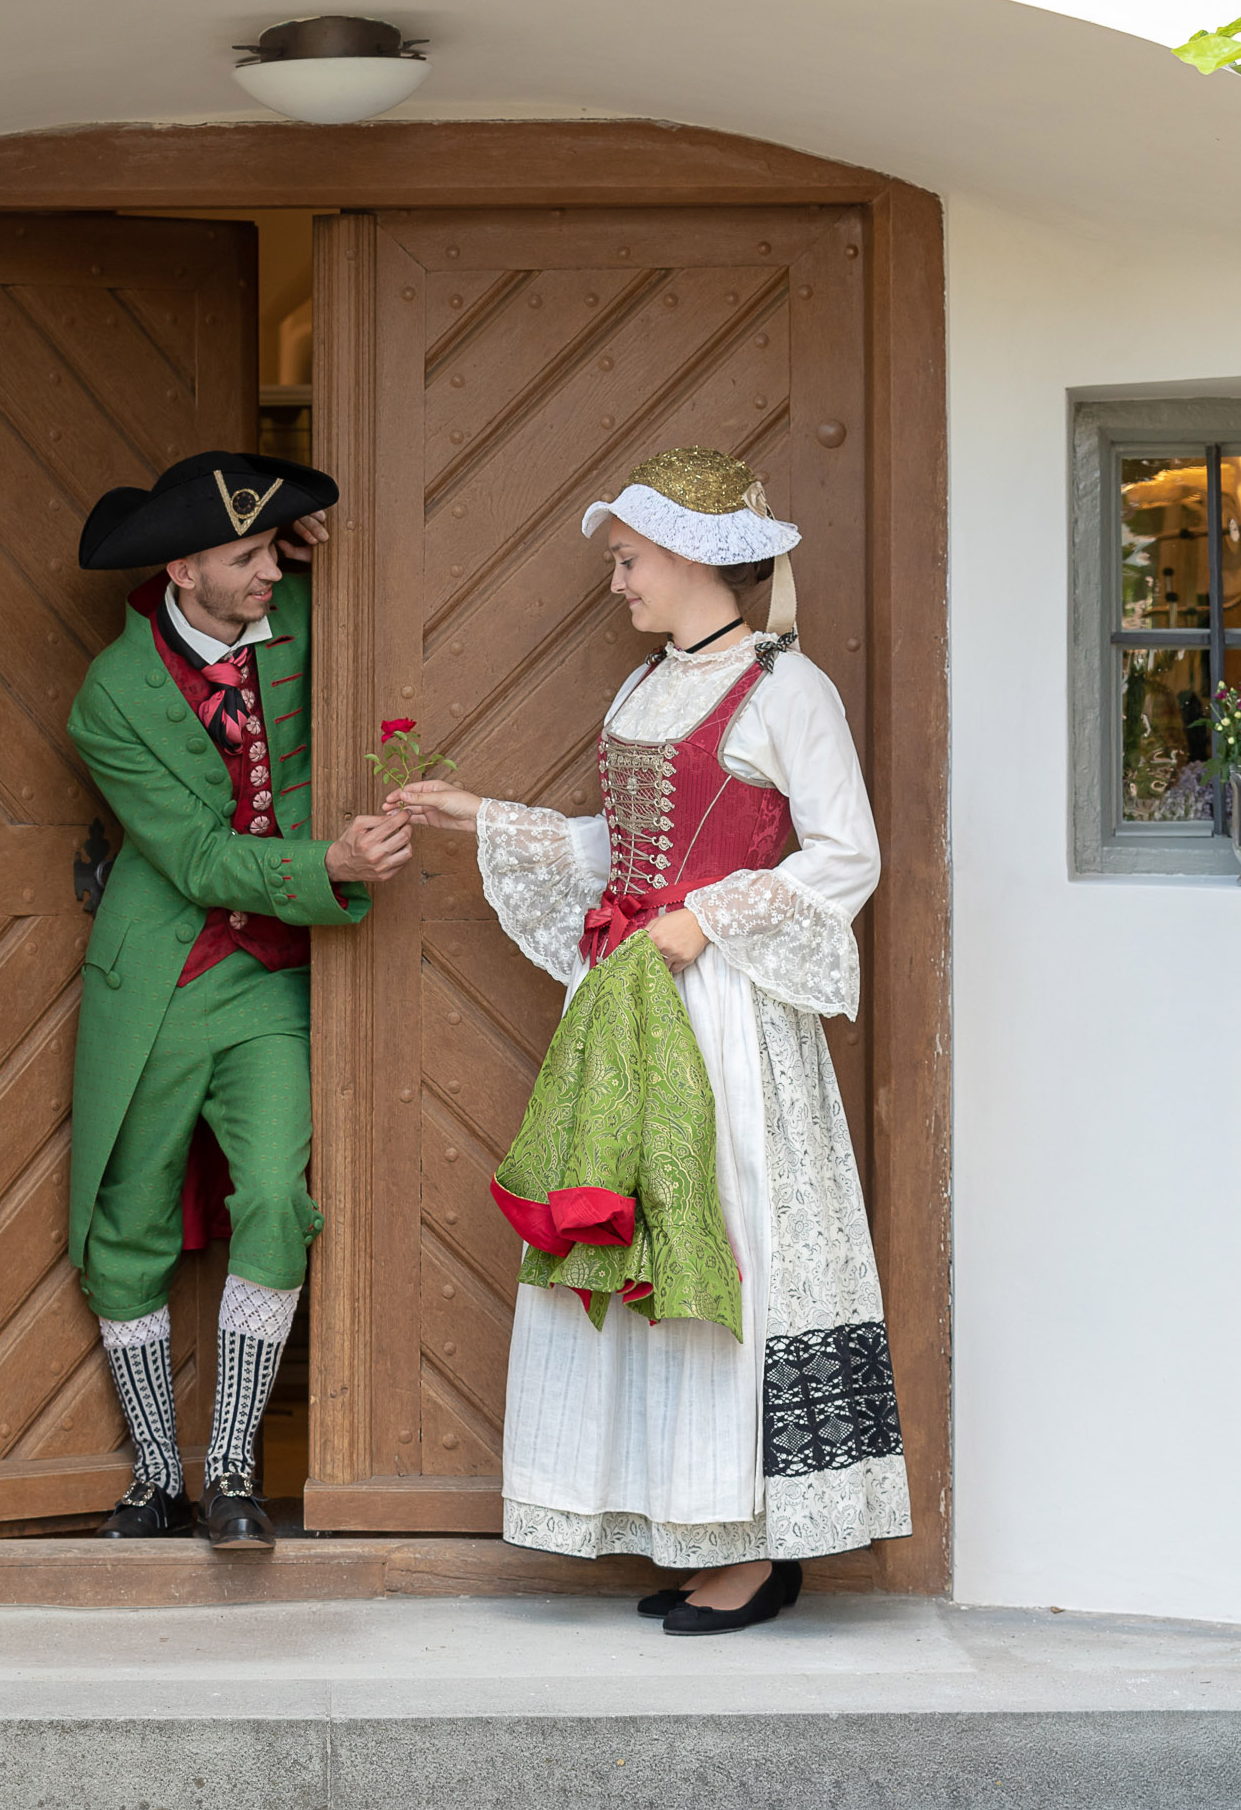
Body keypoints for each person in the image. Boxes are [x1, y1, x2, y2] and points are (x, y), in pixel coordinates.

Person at [387, 447, 908, 1634]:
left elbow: (846, 855)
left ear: (687, 555)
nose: (617, 582)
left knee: (720, 1246)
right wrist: (482, 818)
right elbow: (624, 854)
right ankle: (680, 1517)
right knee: (635, 1255)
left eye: (626, 560)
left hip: (726, 1012)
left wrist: (701, 921)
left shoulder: (790, 690)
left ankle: (755, 1543)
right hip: (628, 1005)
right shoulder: (641, 689)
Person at [65, 450, 414, 1550]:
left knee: (272, 1197)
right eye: (244, 556)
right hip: (161, 979)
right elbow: (199, 857)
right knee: (127, 1221)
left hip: (273, 977)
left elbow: (344, 585)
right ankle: (153, 1476)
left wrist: (319, 548)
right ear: (182, 569)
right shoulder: (107, 701)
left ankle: (232, 1471)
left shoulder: (311, 617)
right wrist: (332, 866)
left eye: (273, 550)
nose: (268, 572)